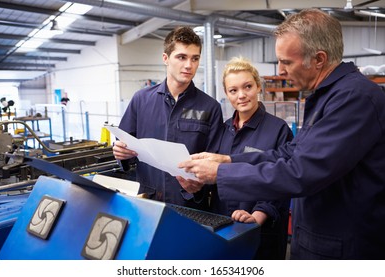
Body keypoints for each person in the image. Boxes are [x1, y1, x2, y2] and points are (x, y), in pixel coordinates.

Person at [178, 8, 385, 259]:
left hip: (343, 250)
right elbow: (291, 153)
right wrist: (228, 160)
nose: (281, 70)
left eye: (287, 62)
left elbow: (302, 172)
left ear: (319, 59)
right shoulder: (325, 96)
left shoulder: (354, 98)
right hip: (319, 241)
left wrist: (221, 173)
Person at [113, 26, 223, 210]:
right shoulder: (141, 100)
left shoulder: (210, 108)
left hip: (190, 206)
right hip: (147, 201)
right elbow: (123, 143)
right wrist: (120, 152)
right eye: (181, 57)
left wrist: (201, 186)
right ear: (166, 58)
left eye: (195, 58)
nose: (189, 65)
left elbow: (215, 162)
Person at [212, 56, 293, 259]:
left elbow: (284, 180)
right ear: (227, 94)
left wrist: (258, 215)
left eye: (247, 87)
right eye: (233, 90)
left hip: (261, 233)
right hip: (223, 229)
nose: (241, 95)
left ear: (258, 86)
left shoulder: (278, 129)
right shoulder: (222, 130)